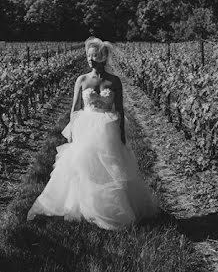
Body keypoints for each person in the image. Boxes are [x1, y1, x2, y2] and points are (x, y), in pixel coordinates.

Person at [26, 36, 159, 230]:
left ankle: (111, 208)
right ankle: (84, 206)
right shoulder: (81, 80)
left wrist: (122, 134)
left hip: (107, 128)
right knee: (83, 165)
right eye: (88, 56)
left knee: (110, 167)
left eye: (94, 56)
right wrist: (72, 131)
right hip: (86, 126)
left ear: (103, 58)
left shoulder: (114, 81)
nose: (90, 60)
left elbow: (120, 110)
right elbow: (75, 108)